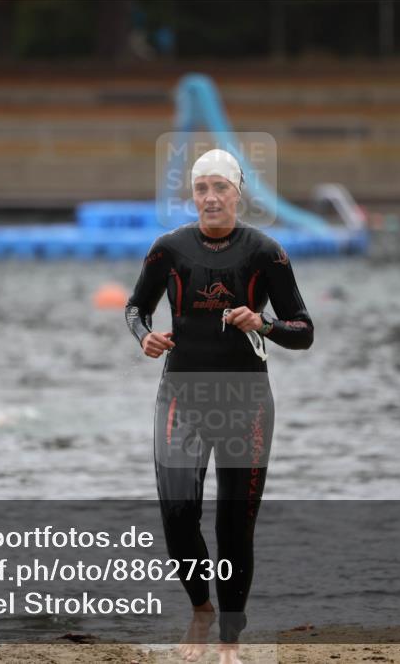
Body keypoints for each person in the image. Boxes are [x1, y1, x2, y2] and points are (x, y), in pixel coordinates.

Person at [124, 149, 313, 664]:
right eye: (201, 188)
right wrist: (144, 336)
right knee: (178, 514)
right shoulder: (168, 249)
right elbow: (136, 307)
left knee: (234, 525)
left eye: (220, 187)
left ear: (238, 192)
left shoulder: (266, 253)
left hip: (246, 401)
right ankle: (201, 609)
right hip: (181, 396)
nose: (210, 197)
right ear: (193, 195)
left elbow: (304, 330)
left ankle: (230, 636)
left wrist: (264, 323)